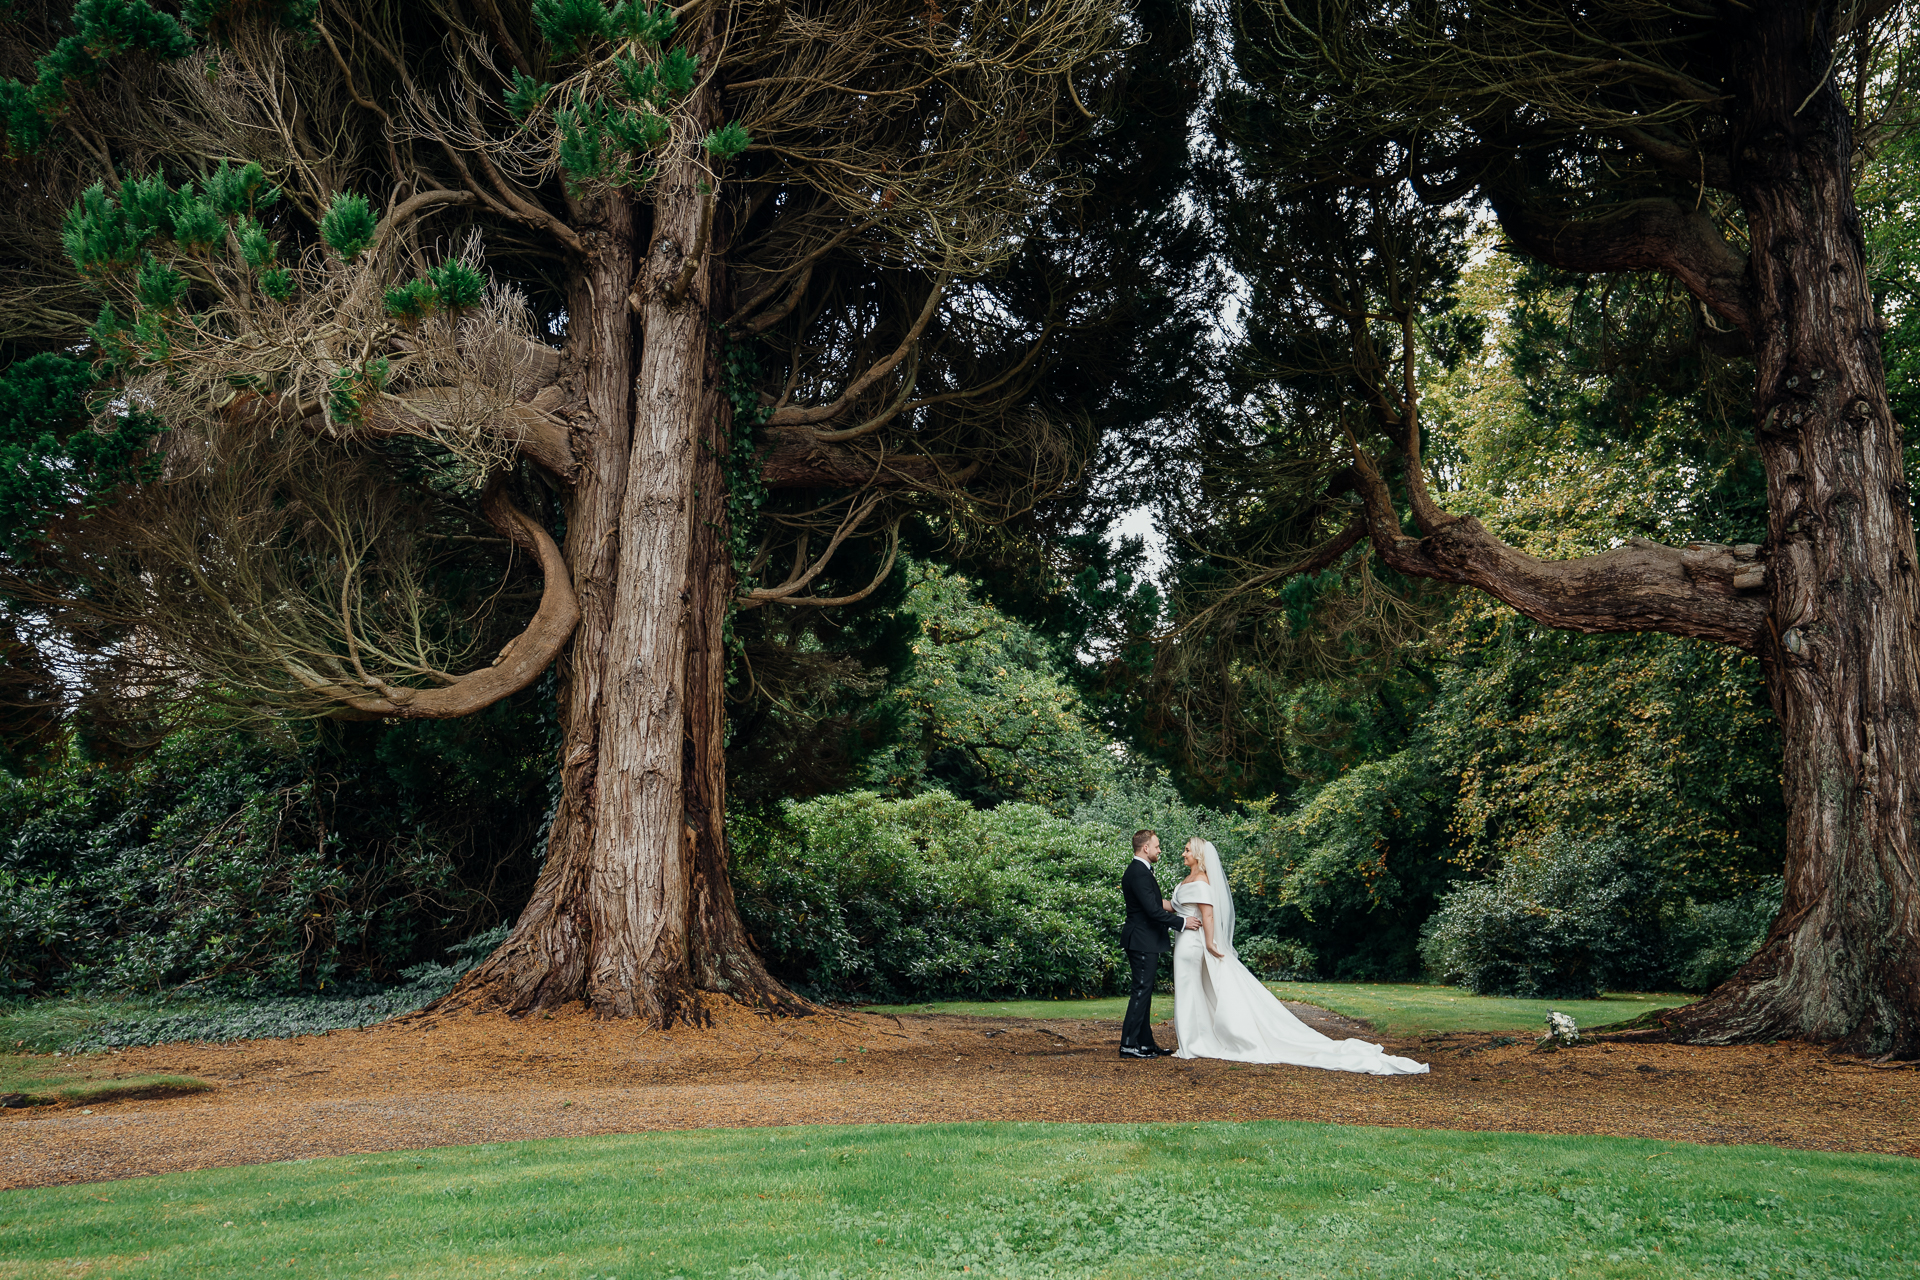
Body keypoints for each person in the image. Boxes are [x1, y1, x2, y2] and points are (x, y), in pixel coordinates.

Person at [1170, 836, 1429, 1075]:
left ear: (1199, 855)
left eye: (1187, 850)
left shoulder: (1202, 880)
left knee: (1194, 989)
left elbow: (1208, 914)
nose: (1183, 853)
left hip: (1194, 943)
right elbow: (1175, 907)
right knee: (1194, 991)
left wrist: (1211, 943)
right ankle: (1193, 1040)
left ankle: (1196, 1043)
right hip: (1184, 940)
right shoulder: (1186, 880)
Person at [1117, 829, 1200, 1059]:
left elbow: (1156, 904)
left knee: (1144, 991)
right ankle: (1128, 1044)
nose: (1159, 850)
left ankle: (1144, 1044)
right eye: (1157, 846)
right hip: (1142, 940)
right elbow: (1153, 912)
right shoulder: (1139, 873)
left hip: (1143, 939)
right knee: (1141, 991)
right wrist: (1183, 922)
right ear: (1146, 848)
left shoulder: (1140, 871)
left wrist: (1180, 905)